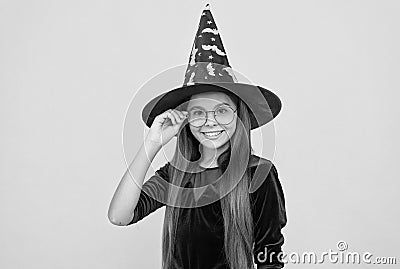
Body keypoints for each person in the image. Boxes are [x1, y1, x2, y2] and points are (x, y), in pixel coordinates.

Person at [108, 4, 287, 269]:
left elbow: (270, 259)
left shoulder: (258, 174)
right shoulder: (177, 175)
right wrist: (153, 143)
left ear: (240, 117)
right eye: (198, 112)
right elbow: (119, 216)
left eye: (222, 111)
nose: (209, 122)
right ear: (186, 120)